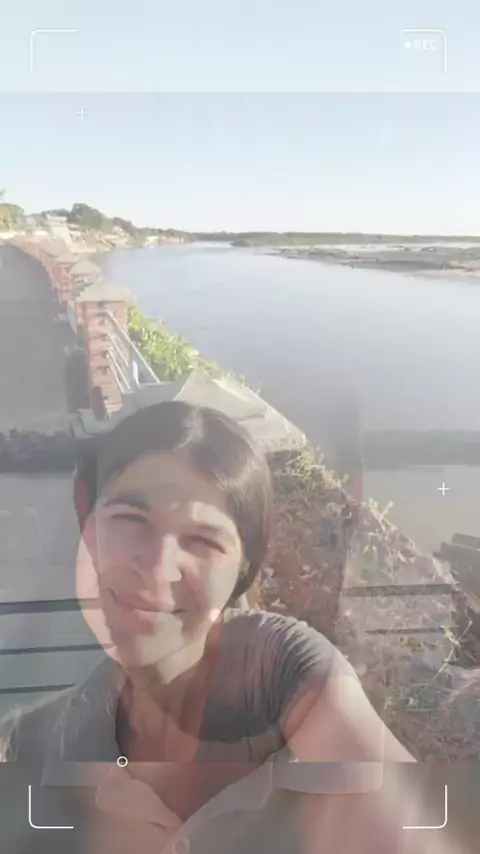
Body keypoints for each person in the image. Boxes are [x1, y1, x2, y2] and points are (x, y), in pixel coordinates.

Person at [0, 401, 472, 854]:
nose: (158, 569)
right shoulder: (31, 745)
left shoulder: (282, 673)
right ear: (88, 525)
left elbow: (421, 828)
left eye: (203, 541)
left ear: (244, 569)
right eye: (130, 519)